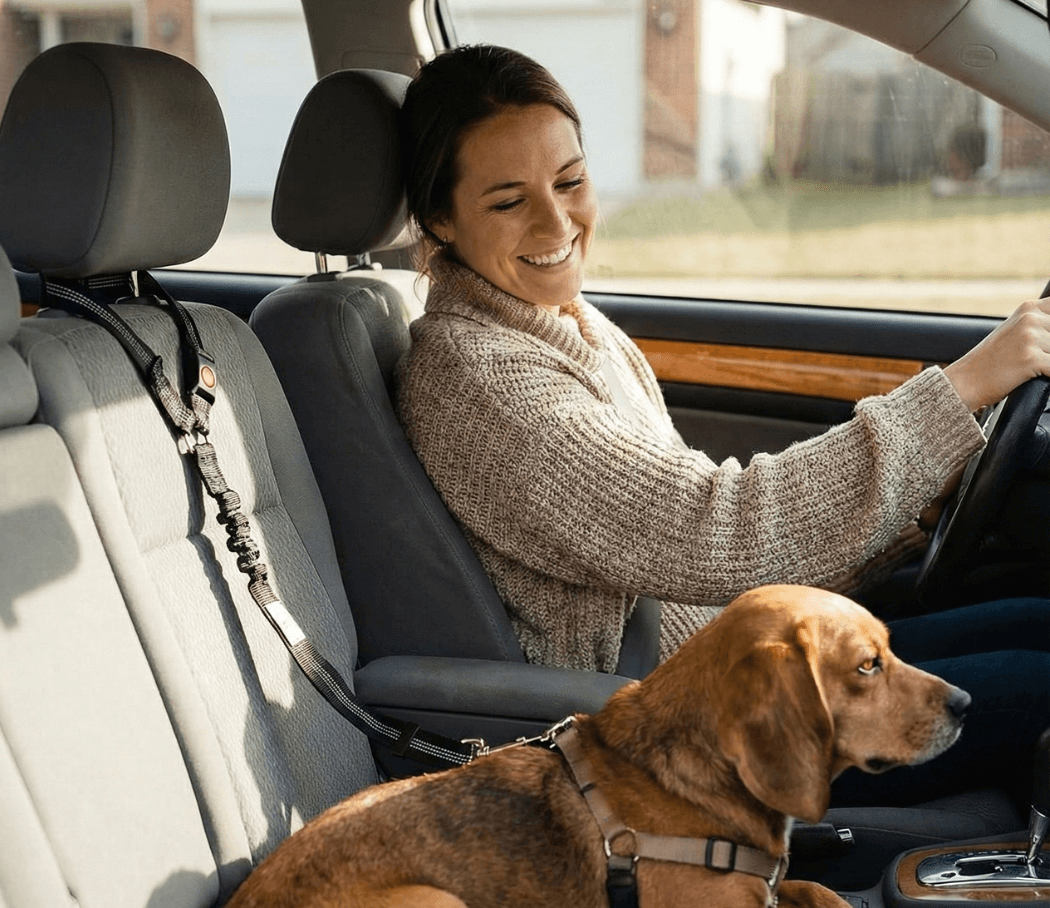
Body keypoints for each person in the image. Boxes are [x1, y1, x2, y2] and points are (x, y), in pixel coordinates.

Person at [394, 44, 1049, 808]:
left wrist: (903, 520)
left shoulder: (561, 323)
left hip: (735, 661)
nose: (556, 220)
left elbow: (698, 568)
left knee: (1039, 621)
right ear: (439, 218)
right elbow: (717, 529)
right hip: (686, 737)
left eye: (570, 181)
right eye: (508, 202)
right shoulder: (482, 382)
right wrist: (966, 385)